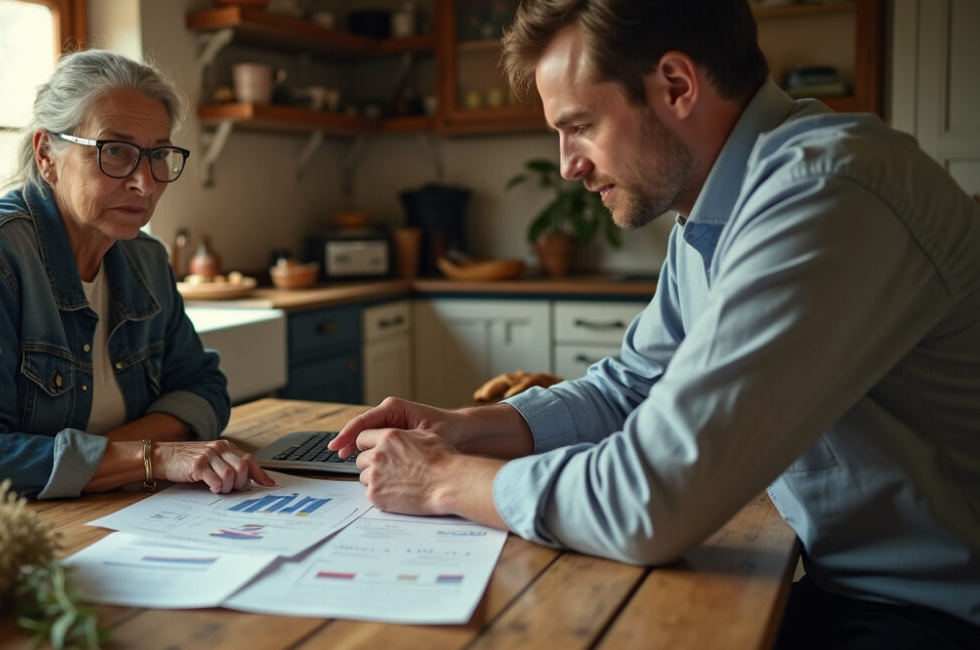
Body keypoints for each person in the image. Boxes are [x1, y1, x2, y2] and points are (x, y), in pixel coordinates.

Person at [329, 1, 980, 647]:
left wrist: (446, 480)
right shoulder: (719, 212)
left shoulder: (828, 193)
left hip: (939, 613)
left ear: (676, 85)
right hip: (849, 591)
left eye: (579, 125)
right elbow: (632, 386)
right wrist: (471, 427)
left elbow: (650, 502)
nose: (568, 165)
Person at [0, 50, 273, 531]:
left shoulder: (145, 259)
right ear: (47, 154)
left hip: (65, 516)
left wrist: (120, 457)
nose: (144, 182)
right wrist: (152, 457)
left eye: (158, 154)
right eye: (116, 151)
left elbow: (205, 389)